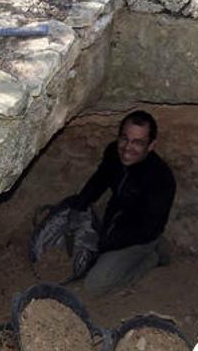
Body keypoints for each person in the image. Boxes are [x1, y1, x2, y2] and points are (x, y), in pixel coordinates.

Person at [70, 110, 176, 296]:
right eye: (124, 139)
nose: (127, 148)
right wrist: (78, 207)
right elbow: (99, 181)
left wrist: (105, 246)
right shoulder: (113, 153)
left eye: (138, 143)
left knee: (94, 286)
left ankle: (153, 256)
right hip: (115, 215)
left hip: (140, 237)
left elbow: (147, 228)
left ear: (151, 146)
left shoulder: (160, 179)